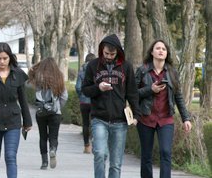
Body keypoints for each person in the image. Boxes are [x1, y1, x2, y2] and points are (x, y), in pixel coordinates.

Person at [82, 34, 141, 178]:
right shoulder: (93, 66)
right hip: (99, 119)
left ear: (118, 52)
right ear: (102, 50)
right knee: (100, 154)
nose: (109, 56)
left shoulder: (126, 67)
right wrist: (98, 87)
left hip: (120, 121)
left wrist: (136, 115)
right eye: (106, 53)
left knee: (115, 163)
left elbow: (132, 92)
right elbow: (85, 89)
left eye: (112, 54)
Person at [135, 39, 192, 178]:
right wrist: (150, 89)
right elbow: (133, 94)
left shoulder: (172, 72)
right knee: (146, 155)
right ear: (152, 52)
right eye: (158, 48)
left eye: (164, 49)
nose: (161, 51)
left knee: (166, 152)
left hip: (166, 119)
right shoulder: (142, 70)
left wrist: (186, 118)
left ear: (166, 54)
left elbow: (178, 96)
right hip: (145, 118)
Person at [0, 42, 32, 178]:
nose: (2, 61)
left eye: (5, 58)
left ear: (10, 58)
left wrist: (27, 121)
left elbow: (23, 99)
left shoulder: (17, 74)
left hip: (13, 121)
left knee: (10, 156)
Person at [28, 57, 68, 170]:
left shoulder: (38, 79)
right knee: (53, 136)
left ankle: (44, 162)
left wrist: (34, 68)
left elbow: (27, 84)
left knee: (43, 137)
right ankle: (53, 149)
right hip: (55, 113)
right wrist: (58, 107)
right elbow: (65, 96)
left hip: (41, 112)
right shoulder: (59, 79)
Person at [76, 52, 97, 154]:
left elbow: (78, 87)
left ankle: (86, 146)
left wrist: (81, 96)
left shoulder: (81, 72)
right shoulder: (97, 71)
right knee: (95, 123)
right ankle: (95, 144)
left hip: (84, 102)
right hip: (95, 102)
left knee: (85, 124)